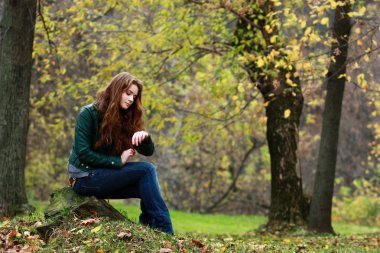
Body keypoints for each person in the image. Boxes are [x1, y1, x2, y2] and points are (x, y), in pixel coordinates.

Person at [67, 72, 173, 234]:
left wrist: (144, 138)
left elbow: (148, 151)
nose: (131, 99)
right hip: (84, 179)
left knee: (147, 186)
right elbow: (84, 154)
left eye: (134, 96)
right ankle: (165, 231)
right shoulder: (88, 114)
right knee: (146, 170)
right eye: (128, 93)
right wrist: (118, 161)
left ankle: (149, 229)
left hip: (103, 176)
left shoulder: (126, 117)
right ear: (117, 90)